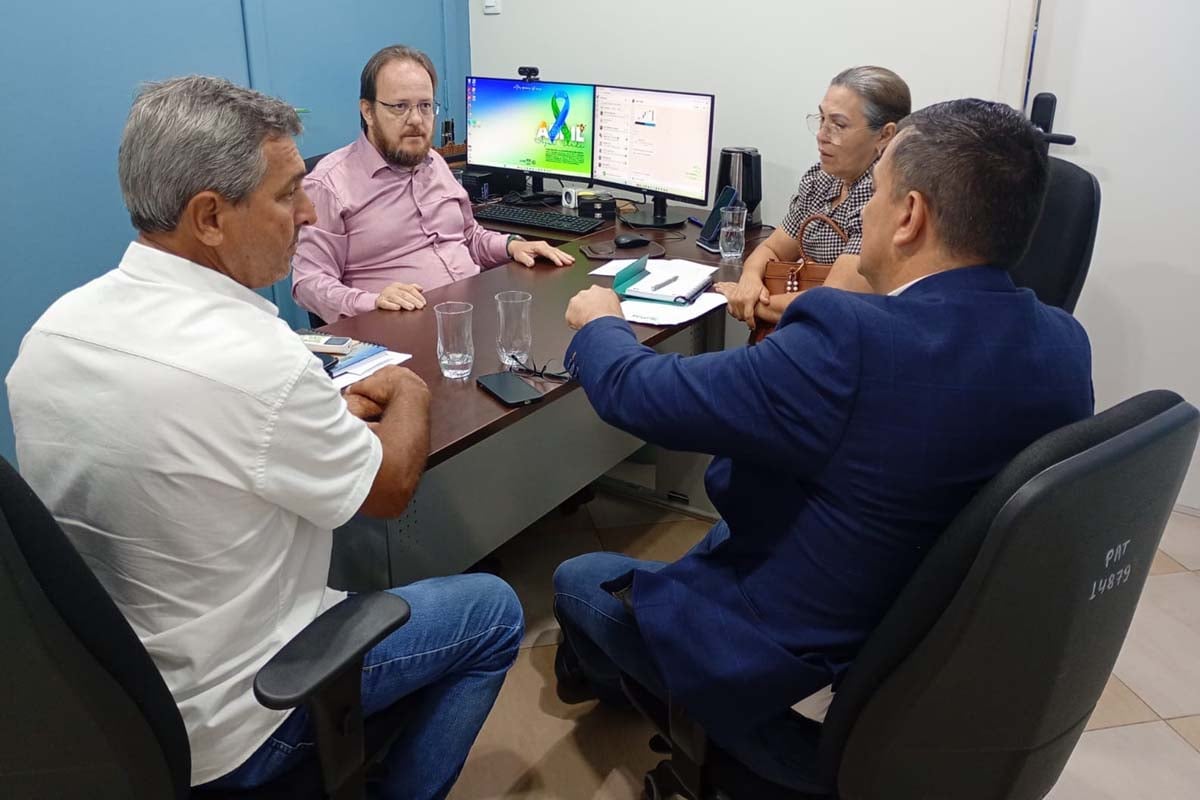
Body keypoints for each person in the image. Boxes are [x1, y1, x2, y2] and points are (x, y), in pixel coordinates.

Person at [553, 99, 1094, 790]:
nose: (863, 210)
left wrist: (601, 323)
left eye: (879, 189)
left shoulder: (854, 345)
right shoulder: (1062, 344)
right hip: (922, 657)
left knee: (580, 581)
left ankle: (684, 708)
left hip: (805, 687)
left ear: (909, 216)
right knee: (705, 549)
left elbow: (640, 394)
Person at [6, 76, 522, 800]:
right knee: (495, 612)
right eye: (286, 195)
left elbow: (198, 445)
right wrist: (407, 390)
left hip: (115, 700)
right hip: (248, 709)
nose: (310, 213)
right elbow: (390, 488)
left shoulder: (49, 336)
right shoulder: (258, 358)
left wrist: (311, 411)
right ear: (210, 216)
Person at [292, 45, 574, 323]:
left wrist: (512, 245)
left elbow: (468, 237)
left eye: (425, 106)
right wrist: (372, 302)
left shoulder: (434, 163)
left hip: (471, 314)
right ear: (367, 111)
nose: (416, 120)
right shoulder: (329, 185)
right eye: (400, 106)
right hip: (396, 332)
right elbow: (308, 282)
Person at [716, 66, 910, 329]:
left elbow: (832, 301)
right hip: (800, 332)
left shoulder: (882, 198)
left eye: (838, 125)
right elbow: (773, 248)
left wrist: (745, 300)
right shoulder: (821, 178)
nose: (821, 135)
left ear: (885, 135)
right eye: (821, 120)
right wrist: (749, 279)